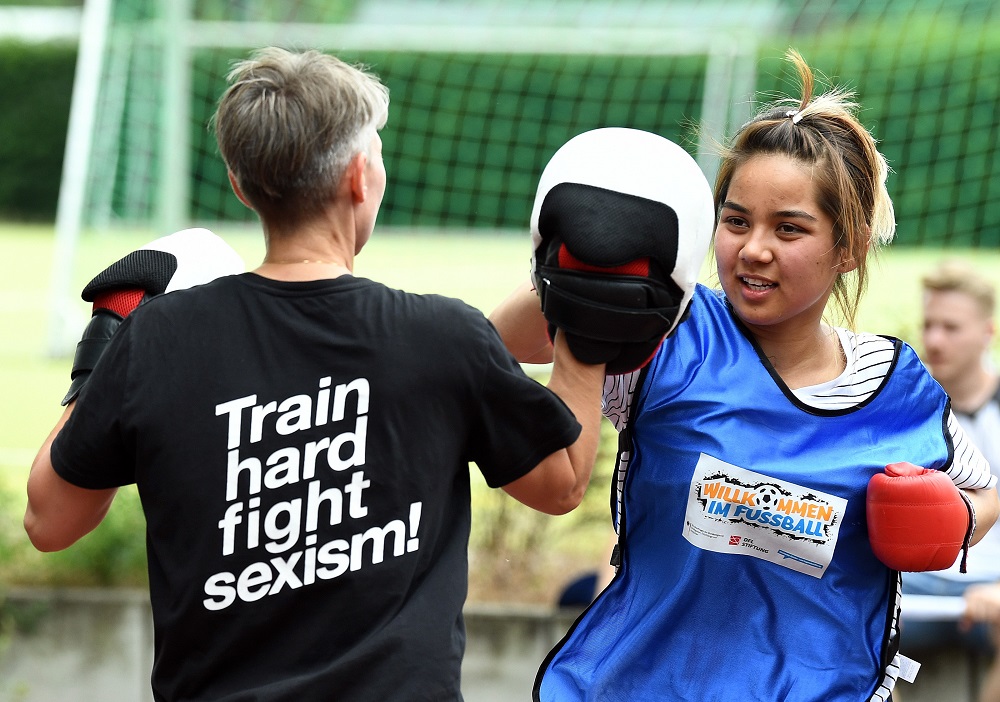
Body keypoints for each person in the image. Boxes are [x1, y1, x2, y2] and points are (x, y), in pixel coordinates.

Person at [23, 47, 607, 702]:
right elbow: (561, 481)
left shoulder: (157, 339)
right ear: (360, 177)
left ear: (239, 184)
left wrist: (107, 341)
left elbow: (50, 519)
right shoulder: (444, 338)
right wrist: (595, 314)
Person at [490, 49, 1000, 701]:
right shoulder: (670, 332)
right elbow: (497, 346)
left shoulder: (896, 387)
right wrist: (581, 268)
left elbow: (984, 493)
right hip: (635, 687)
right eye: (736, 221)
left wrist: (954, 520)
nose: (754, 248)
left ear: (848, 247)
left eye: (789, 229)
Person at [901, 259, 1000, 702]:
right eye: (929, 325)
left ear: (987, 332)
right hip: (916, 581)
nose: (935, 340)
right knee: (844, 618)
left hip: (994, 583)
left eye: (951, 327)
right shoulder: (902, 408)